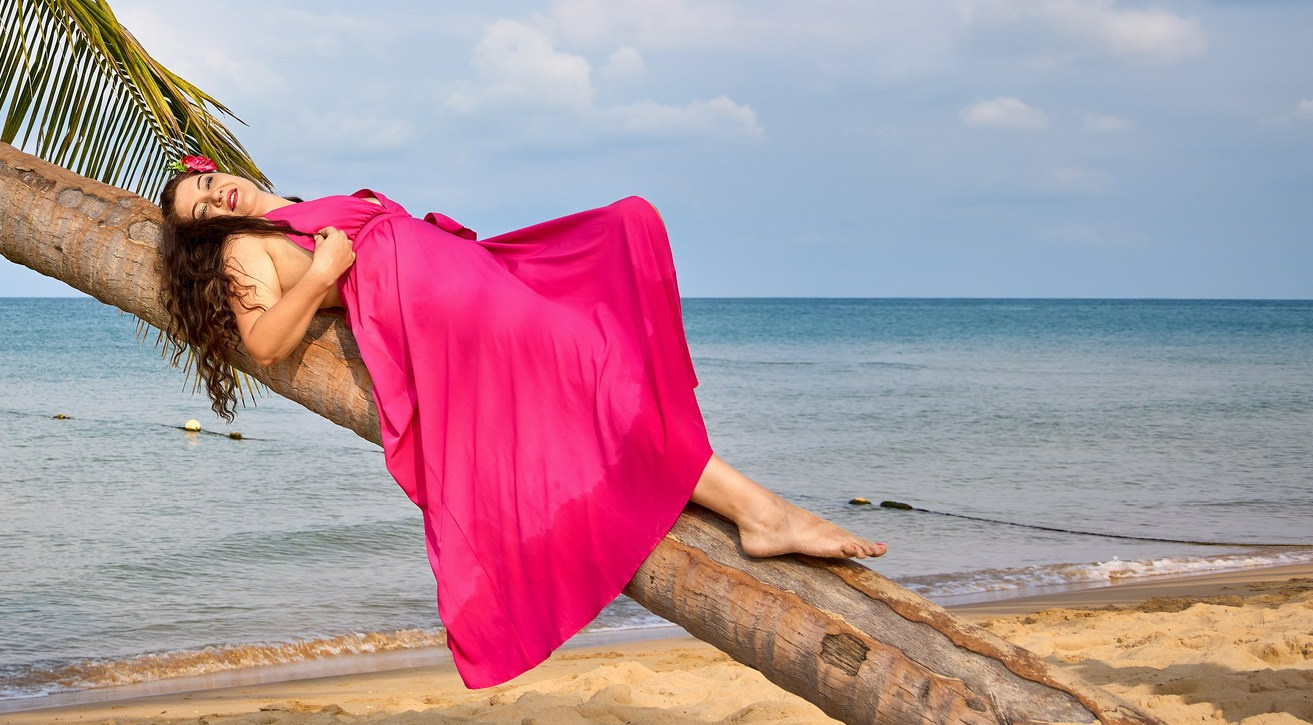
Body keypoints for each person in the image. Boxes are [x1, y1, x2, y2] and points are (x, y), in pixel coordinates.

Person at [157, 158, 885, 689]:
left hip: (469, 277)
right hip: (451, 310)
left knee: (621, 249)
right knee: (598, 373)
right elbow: (261, 341)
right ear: (208, 233)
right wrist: (321, 275)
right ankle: (763, 512)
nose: (215, 196)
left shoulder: (285, 207)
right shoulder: (240, 247)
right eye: (201, 210)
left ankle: (759, 508)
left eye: (206, 181)